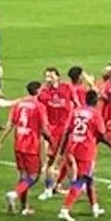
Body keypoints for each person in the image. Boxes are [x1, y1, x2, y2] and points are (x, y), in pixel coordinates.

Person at [0, 80, 50, 215]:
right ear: (37, 92)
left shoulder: (19, 104)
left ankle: (24, 207)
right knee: (34, 176)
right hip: (31, 145)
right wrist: (52, 141)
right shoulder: (39, 106)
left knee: (23, 176)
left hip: (18, 143)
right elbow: (43, 128)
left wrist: (0, 141)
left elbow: (10, 124)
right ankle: (14, 194)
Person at [58, 89, 107, 221]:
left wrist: (61, 151)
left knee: (89, 178)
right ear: (96, 101)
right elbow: (102, 134)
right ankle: (65, 209)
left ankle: (95, 207)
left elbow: (67, 131)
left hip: (72, 146)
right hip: (85, 150)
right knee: (81, 179)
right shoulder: (95, 114)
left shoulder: (76, 111)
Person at [37, 67, 76, 200]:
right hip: (51, 131)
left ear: (58, 77)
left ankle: (74, 187)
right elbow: (38, 108)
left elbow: (77, 104)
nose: (49, 79)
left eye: (51, 76)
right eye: (47, 76)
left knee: (68, 158)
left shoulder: (67, 88)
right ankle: (48, 189)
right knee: (49, 160)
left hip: (66, 130)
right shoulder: (43, 92)